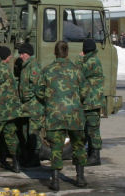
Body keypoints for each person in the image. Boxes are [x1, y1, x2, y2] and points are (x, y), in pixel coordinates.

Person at [37, 40, 88, 191]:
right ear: (67, 53)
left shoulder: (47, 70)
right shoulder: (76, 70)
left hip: (55, 115)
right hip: (75, 115)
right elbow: (84, 92)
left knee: (56, 148)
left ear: (55, 52)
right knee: (78, 146)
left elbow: (39, 92)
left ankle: (56, 181)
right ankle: (80, 178)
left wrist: (50, 99)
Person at [17, 42, 43, 167]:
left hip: (34, 106)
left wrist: (28, 95)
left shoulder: (33, 66)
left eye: (22, 53)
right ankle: (28, 156)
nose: (20, 56)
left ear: (28, 54)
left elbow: (37, 86)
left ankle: (35, 158)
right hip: (26, 106)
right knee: (25, 131)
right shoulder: (25, 66)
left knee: (33, 132)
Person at [80, 39, 104, 167]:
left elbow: (79, 71)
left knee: (93, 129)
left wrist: (80, 59)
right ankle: (91, 154)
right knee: (89, 129)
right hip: (91, 101)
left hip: (92, 101)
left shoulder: (91, 61)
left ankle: (95, 156)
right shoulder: (93, 60)